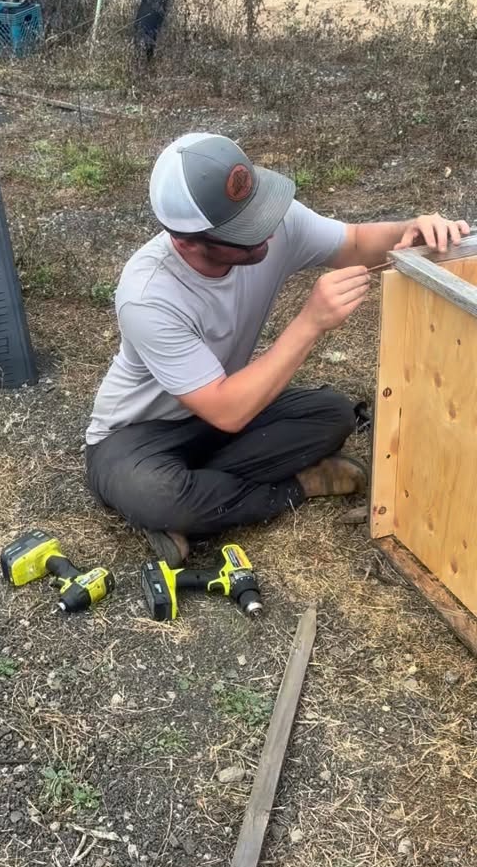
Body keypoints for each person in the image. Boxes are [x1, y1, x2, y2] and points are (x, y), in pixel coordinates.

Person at [85, 132, 469, 565]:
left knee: (332, 414)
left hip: (222, 414)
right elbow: (225, 409)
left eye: (258, 213)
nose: (264, 234)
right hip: (138, 434)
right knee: (157, 494)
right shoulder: (148, 294)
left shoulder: (270, 223)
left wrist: (412, 231)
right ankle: (295, 486)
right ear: (187, 241)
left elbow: (358, 243)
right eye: (243, 232)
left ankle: (203, 499)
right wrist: (310, 322)